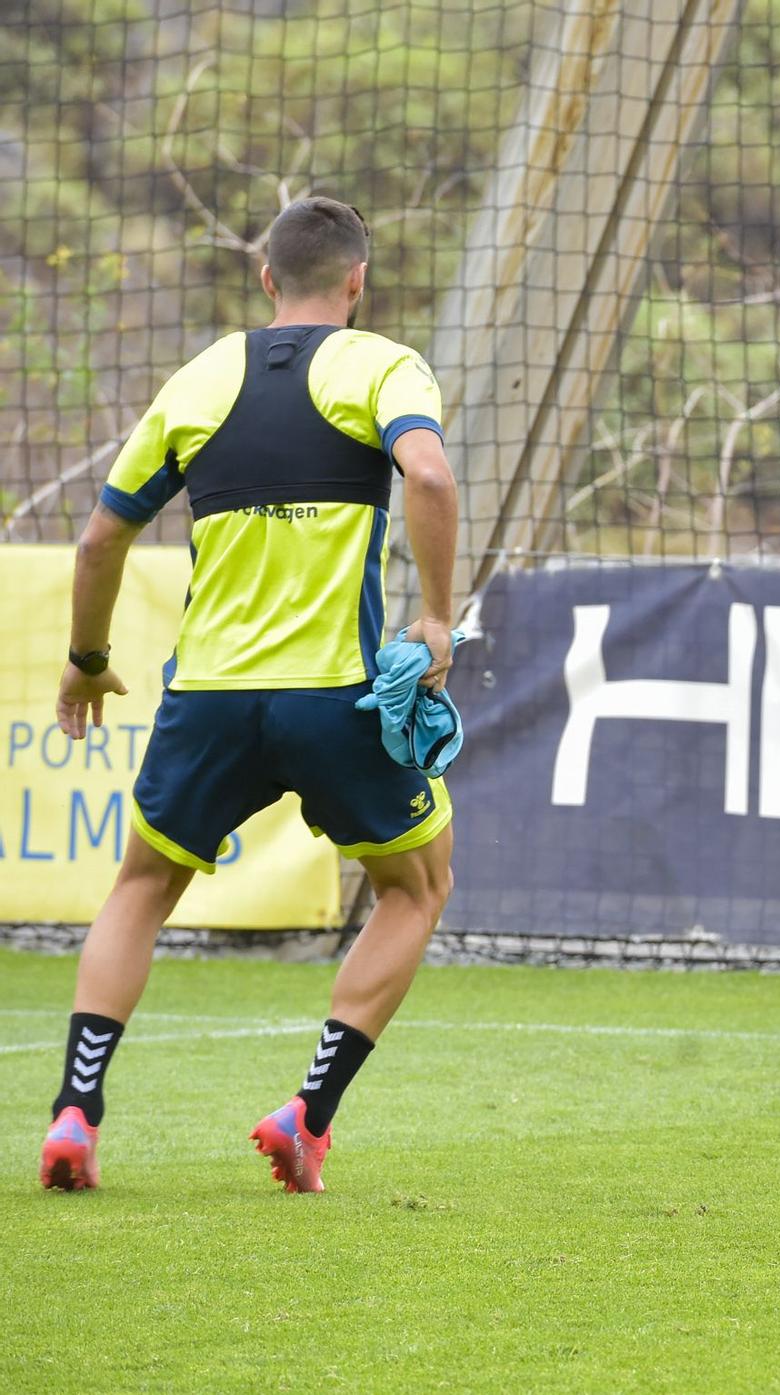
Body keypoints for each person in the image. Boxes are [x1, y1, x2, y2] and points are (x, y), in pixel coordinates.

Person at [38, 197, 460, 1195]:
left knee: (141, 887)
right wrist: (435, 620)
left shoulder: (199, 380)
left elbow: (102, 538)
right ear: (356, 281)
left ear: (268, 278)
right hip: (334, 697)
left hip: (212, 696)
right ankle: (307, 1116)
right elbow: (430, 479)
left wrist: (89, 657)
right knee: (417, 887)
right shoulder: (382, 366)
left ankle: (73, 1111)